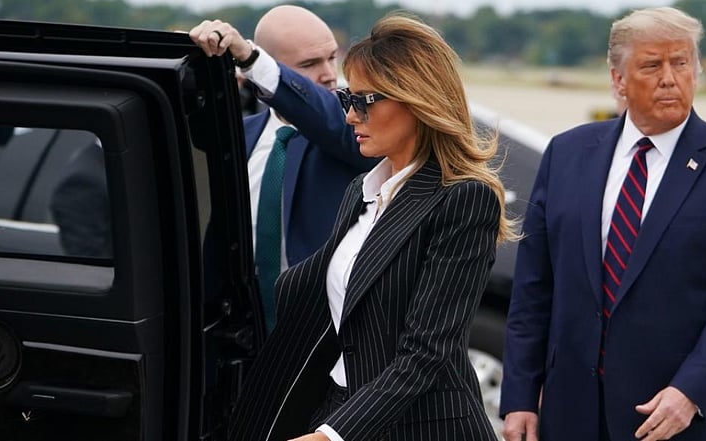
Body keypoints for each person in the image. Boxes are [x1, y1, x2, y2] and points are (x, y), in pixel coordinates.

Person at [214, 13, 515, 441]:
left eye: (363, 101)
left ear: (414, 100)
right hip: (340, 409)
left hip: (419, 426)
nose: (350, 116)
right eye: (345, 100)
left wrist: (329, 436)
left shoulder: (464, 198)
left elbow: (426, 354)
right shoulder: (362, 190)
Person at [500, 7, 706, 441]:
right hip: (574, 414)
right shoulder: (566, 155)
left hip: (683, 419)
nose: (670, 78)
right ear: (618, 80)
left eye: (681, 62)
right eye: (652, 65)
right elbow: (534, 288)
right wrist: (519, 396)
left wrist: (690, 391)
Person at [190, 6, 378, 332]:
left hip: (324, 339)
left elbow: (326, 116)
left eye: (332, 57)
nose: (329, 74)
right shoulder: (239, 136)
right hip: (239, 336)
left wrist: (250, 58)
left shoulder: (355, 133)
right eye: (308, 64)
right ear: (278, 70)